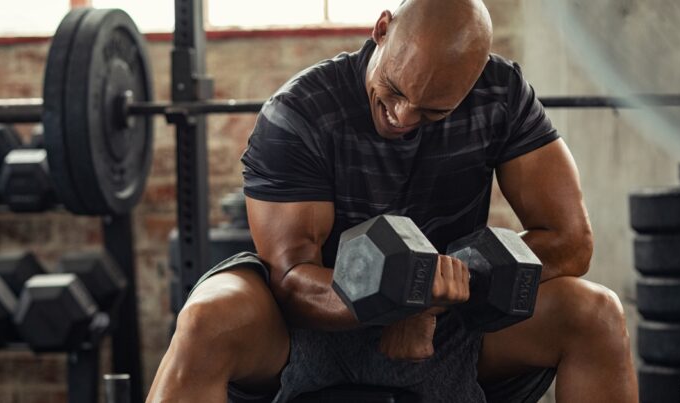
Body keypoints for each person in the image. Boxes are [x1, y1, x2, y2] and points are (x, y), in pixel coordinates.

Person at [147, 0, 639, 402]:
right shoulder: (300, 111)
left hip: (451, 324)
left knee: (595, 313)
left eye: (432, 111)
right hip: (308, 328)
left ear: (472, 82)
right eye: (395, 91)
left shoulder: (501, 95)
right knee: (207, 319)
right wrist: (404, 299)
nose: (402, 116)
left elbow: (570, 242)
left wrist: (437, 298)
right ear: (382, 29)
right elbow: (293, 281)